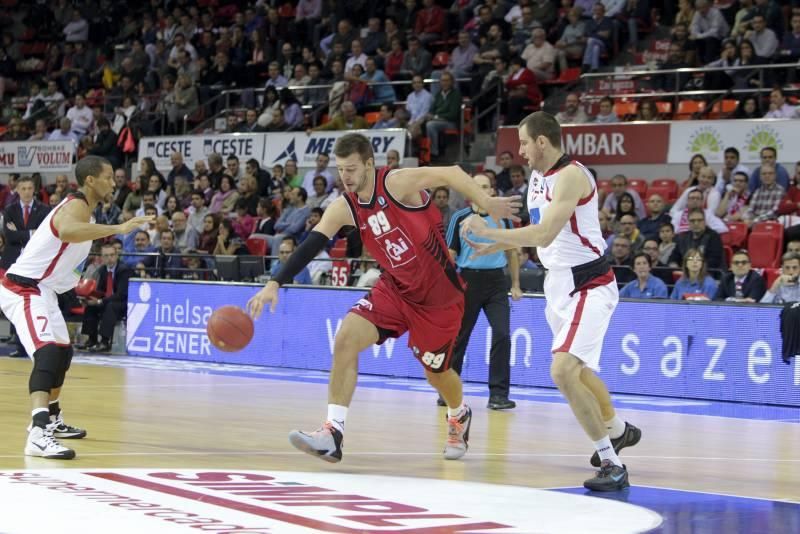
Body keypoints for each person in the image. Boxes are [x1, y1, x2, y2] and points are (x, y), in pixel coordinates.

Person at [247, 133, 519, 464]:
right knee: (346, 337)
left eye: (351, 169)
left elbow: (452, 173)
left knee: (437, 374)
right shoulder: (344, 206)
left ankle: (459, 413)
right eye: (340, 169)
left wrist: (487, 203)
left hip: (439, 298)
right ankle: (333, 432)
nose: (344, 177)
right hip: (394, 289)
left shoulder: (396, 183)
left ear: (369, 164)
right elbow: (312, 243)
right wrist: (275, 281)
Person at [462, 111, 640, 491]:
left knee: (561, 372)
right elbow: (539, 238)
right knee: (580, 373)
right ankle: (619, 431)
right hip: (557, 284)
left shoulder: (573, 175)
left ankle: (612, 463)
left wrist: (486, 227)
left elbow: (542, 234)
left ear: (542, 141)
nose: (520, 151)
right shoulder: (537, 178)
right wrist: (493, 244)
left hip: (589, 282)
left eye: (524, 143)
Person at [0, 155, 150, 459]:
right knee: (47, 352)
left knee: (63, 352)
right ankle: (38, 433)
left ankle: (52, 420)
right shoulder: (76, 204)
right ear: (91, 180)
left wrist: (74, 285)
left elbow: (64, 254)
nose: (113, 181)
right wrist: (119, 229)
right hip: (23, 287)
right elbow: (67, 231)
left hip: (45, 289)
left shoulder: (88, 213)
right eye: (108, 176)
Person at [445, 174, 522, 410]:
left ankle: (498, 396)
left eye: (487, 186)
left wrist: (516, 284)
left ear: (492, 190)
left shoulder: (503, 218)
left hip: (497, 282)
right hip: (467, 281)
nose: (483, 190)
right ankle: (449, 392)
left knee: (502, 334)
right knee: (459, 338)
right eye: (478, 187)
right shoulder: (459, 217)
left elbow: (511, 253)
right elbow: (450, 255)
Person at [78, 244, 133, 352]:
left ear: (117, 255)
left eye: (112, 255)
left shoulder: (124, 270)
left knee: (111, 306)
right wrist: (90, 298)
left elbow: (121, 294)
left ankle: (104, 341)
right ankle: (91, 340)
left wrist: (100, 301)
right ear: (102, 258)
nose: (109, 258)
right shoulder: (102, 270)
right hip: (107, 300)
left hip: (123, 303)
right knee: (91, 306)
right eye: (106, 256)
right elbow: (101, 291)